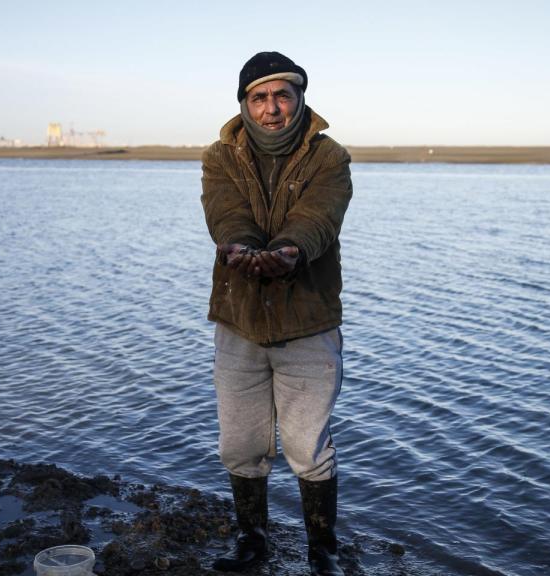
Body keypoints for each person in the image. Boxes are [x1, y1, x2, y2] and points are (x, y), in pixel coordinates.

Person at [200, 51, 353, 576]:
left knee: (308, 447)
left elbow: (320, 217)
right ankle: (252, 544)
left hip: (308, 321)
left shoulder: (329, 157)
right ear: (244, 104)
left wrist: (289, 249)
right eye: (259, 97)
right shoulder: (218, 157)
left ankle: (323, 552)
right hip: (239, 320)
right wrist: (239, 246)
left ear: (300, 99)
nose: (271, 108)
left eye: (281, 95)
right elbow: (226, 213)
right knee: (240, 445)